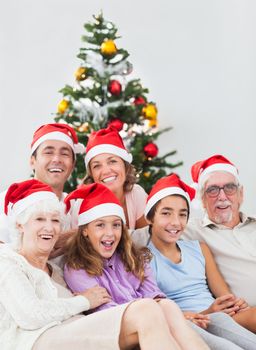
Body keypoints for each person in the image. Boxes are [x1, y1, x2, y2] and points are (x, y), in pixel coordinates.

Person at [0, 178, 200, 350]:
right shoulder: (8, 261)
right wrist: (84, 301)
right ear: (20, 224)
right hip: (32, 341)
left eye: (55, 221)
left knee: (165, 307)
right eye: (39, 219)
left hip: (72, 331)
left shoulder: (56, 270)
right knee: (145, 309)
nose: (49, 227)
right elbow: (31, 316)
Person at [63, 182, 209, 350]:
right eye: (100, 225)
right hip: (109, 330)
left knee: (167, 306)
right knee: (147, 308)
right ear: (85, 230)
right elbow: (104, 310)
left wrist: (160, 310)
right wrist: (146, 310)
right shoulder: (77, 266)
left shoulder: (134, 258)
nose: (110, 233)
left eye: (116, 225)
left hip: (146, 317)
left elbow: (152, 293)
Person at [144, 173, 256, 349]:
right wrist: (208, 312)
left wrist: (232, 303)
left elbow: (224, 295)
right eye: (166, 213)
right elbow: (154, 308)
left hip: (218, 316)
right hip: (186, 321)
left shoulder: (199, 248)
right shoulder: (142, 258)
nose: (175, 222)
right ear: (149, 218)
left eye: (182, 215)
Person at [182, 154, 256, 307]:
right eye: (213, 190)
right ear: (202, 199)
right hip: (246, 316)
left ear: (240, 194)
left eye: (230, 188)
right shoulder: (189, 229)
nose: (222, 197)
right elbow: (138, 233)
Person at [0, 123, 83, 256]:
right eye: (48, 152)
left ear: (72, 165)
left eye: (65, 154)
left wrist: (77, 236)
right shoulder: (8, 200)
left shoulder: (75, 207)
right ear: (32, 161)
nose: (57, 159)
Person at [83, 126, 148, 229]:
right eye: (97, 166)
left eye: (112, 161)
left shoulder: (136, 194)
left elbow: (147, 239)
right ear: (91, 174)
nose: (106, 171)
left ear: (125, 166)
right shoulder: (82, 204)